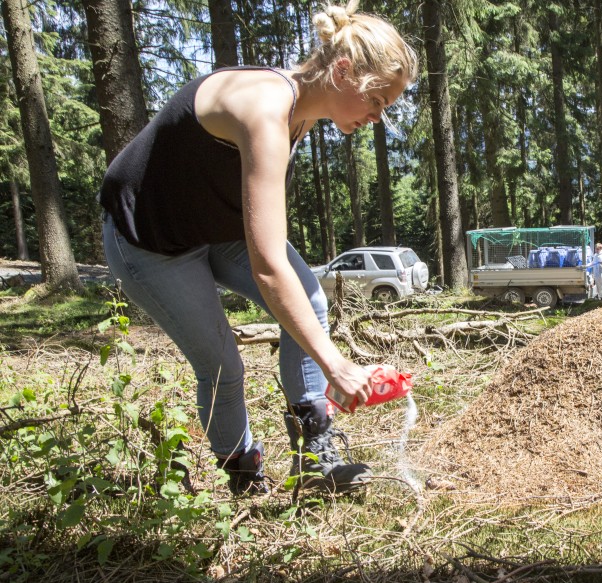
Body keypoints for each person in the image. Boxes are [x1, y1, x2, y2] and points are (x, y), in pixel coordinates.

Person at [98, 1, 418, 496]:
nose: (378, 117)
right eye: (377, 101)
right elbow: (269, 267)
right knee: (223, 364)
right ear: (343, 70)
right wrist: (336, 364)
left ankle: (315, 457)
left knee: (309, 301)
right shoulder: (266, 112)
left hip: (215, 226)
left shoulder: (305, 108)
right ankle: (245, 486)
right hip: (150, 237)